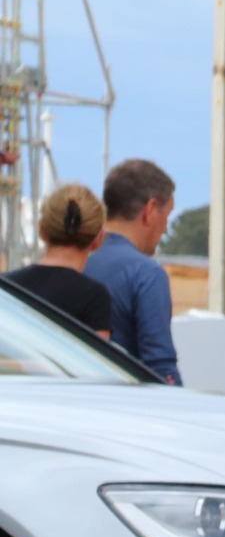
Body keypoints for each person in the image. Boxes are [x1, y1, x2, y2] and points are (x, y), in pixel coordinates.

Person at [89, 157, 182, 384]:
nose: (166, 229)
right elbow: (160, 366)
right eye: (166, 216)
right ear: (150, 210)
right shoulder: (147, 274)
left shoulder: (78, 261)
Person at [3, 183, 115, 339]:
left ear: (41, 230)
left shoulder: (7, 287)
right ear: (99, 240)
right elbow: (95, 360)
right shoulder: (94, 297)